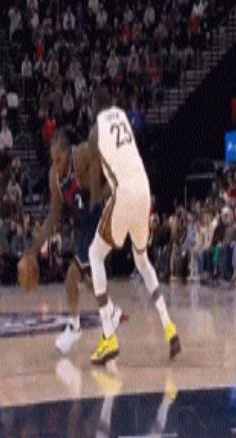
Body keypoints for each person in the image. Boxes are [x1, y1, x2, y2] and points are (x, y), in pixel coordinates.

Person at [87, 85, 181, 365]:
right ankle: (169, 326)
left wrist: (95, 196)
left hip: (125, 194)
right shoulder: (123, 117)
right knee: (142, 260)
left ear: (94, 108)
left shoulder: (95, 131)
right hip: (144, 190)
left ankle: (108, 335)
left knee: (95, 254)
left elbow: (96, 181)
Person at [20, 129, 122, 355]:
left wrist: (104, 195)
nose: (56, 164)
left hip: (99, 218)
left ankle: (78, 327)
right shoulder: (54, 178)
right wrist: (34, 249)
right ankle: (109, 312)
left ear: (68, 152)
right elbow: (53, 215)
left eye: (59, 159)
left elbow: (112, 174)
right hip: (82, 226)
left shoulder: (83, 155)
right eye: (53, 160)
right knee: (84, 280)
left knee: (73, 277)